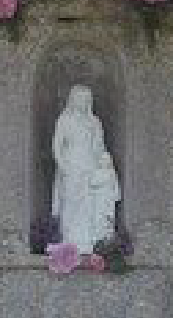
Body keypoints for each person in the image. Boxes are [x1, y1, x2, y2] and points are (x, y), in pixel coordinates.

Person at [51, 85, 121, 253]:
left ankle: (88, 240)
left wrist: (104, 161)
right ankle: (69, 240)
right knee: (71, 202)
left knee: (90, 204)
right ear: (73, 100)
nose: (82, 102)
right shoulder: (65, 119)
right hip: (71, 165)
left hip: (90, 164)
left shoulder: (94, 122)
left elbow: (99, 146)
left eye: (86, 99)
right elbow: (57, 145)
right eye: (79, 98)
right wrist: (63, 165)